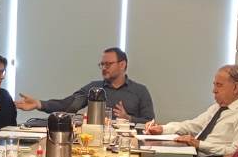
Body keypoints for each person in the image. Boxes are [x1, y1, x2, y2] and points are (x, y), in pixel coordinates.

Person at [15, 47, 155, 123]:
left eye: (108, 64)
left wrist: (129, 118)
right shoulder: (94, 89)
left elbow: (150, 121)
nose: (104, 68)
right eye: (102, 64)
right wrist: (39, 104)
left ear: (122, 64)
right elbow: (68, 104)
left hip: (127, 147)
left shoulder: (140, 91)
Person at [144, 65, 238, 157]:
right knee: (149, 156)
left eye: (219, 85)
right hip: (194, 155)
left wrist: (199, 144)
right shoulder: (217, 107)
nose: (214, 90)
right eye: (214, 85)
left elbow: (235, 151)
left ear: (235, 87)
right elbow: (192, 125)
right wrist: (163, 129)